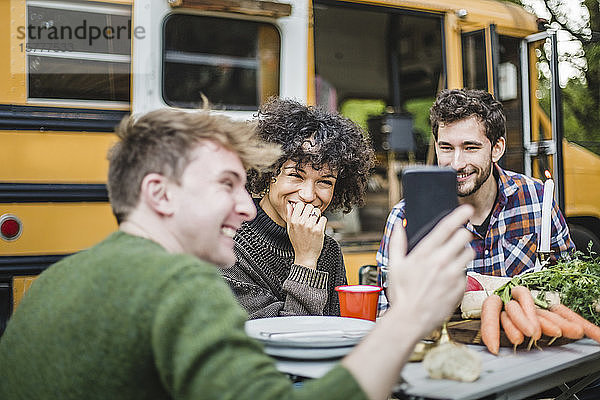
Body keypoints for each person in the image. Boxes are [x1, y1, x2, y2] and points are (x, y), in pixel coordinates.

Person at [0, 107, 475, 400]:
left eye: (325, 181)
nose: (247, 204)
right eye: (228, 184)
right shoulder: (181, 282)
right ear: (160, 194)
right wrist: (408, 315)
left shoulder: (53, 280)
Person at [377, 89, 573, 302]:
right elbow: (385, 308)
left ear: (497, 148)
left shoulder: (538, 200)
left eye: (470, 147)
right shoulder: (405, 217)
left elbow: (569, 286)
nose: (457, 163)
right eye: (446, 148)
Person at [221, 98, 375, 318]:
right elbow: (283, 340)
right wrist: (305, 260)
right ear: (268, 173)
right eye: (295, 175)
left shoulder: (329, 250)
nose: (308, 195)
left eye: (325, 181)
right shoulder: (229, 247)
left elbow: (337, 329)